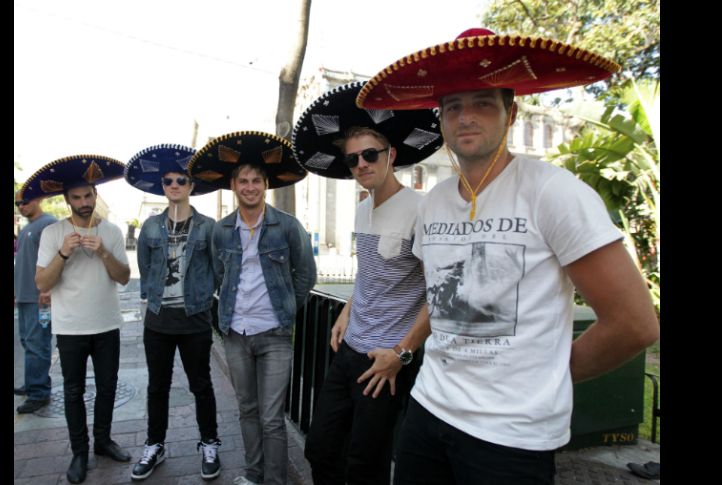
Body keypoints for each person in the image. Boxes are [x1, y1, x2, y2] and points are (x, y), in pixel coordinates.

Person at [357, 28, 660, 484]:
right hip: (429, 410)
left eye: (482, 103)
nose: (466, 117)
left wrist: (550, 374)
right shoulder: (434, 201)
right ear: (440, 120)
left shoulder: (554, 193)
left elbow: (635, 324)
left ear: (511, 112)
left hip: (511, 436)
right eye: (453, 106)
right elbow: (439, 303)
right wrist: (404, 352)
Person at [292, 81, 441, 485]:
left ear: (391, 155)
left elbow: (439, 295)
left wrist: (402, 354)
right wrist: (346, 310)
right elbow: (370, 275)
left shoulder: (421, 210)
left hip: (386, 358)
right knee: (320, 447)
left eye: (369, 155)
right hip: (349, 349)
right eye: (352, 159)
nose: (360, 164)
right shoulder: (361, 210)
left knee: (366, 464)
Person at [189, 131, 316, 485]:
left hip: (275, 334)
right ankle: (253, 474)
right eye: (243, 180)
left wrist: (287, 309)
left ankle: (274, 481)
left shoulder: (287, 227)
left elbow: (306, 275)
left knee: (272, 417)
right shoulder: (222, 231)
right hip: (235, 333)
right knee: (247, 410)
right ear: (233, 186)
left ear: (265, 185)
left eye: (256, 180)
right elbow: (218, 275)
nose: (249, 186)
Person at [30, 155, 132, 484]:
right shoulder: (53, 234)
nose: (84, 203)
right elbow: (43, 284)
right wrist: (63, 253)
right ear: (67, 200)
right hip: (70, 327)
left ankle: (103, 441)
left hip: (106, 324)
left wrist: (104, 252)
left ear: (96, 196)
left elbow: (124, 278)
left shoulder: (112, 232)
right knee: (73, 391)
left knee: (107, 388)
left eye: (89, 196)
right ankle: (79, 452)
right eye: (77, 197)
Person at [124, 144, 222, 481]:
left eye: (182, 180)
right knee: (157, 387)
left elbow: (217, 270)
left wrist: (209, 303)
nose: (175, 185)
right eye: (169, 181)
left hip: (194, 318)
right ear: (163, 187)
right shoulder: (151, 227)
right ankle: (155, 445)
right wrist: (148, 303)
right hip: (159, 321)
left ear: (192, 186)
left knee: (201, 385)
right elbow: (145, 267)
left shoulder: (209, 227)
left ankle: (209, 442)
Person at [14, 191, 57, 413]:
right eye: (17, 203)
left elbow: (56, 259)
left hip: (39, 298)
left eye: (25, 201)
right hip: (24, 296)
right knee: (27, 341)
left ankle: (39, 392)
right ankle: (33, 382)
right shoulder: (27, 228)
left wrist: (48, 289)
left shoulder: (48, 224)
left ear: (38, 199)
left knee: (37, 343)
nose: (21, 206)